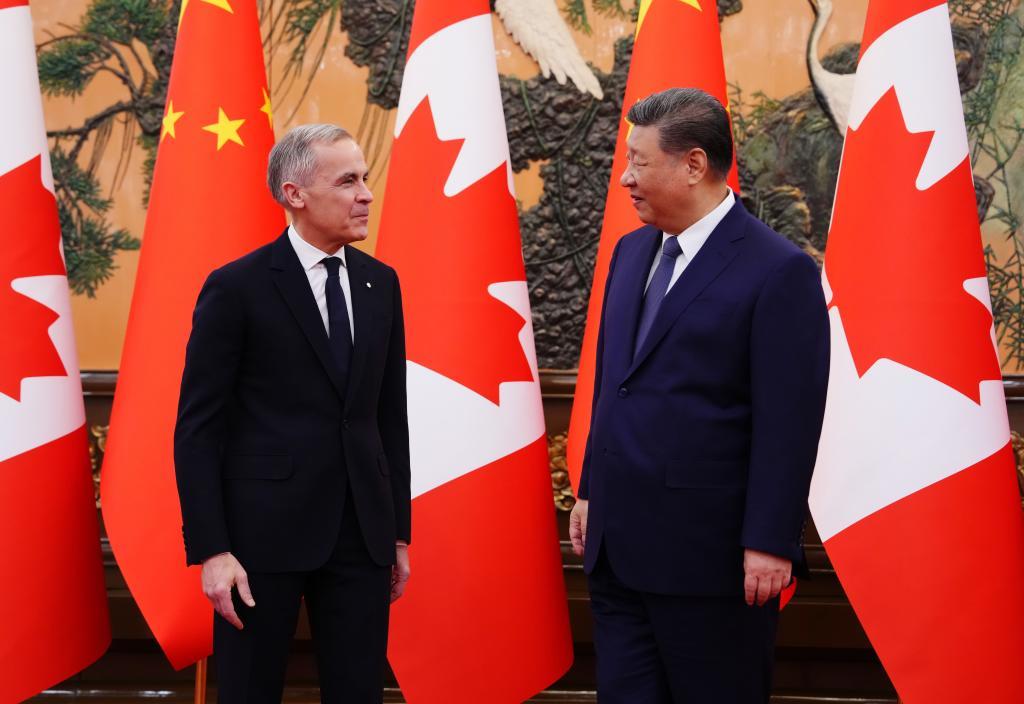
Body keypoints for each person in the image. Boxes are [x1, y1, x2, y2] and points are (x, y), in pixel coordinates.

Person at [569, 88, 829, 703]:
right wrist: (589, 490)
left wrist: (770, 541)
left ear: (693, 164)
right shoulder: (630, 252)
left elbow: (788, 422)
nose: (626, 178)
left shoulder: (778, 270)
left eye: (639, 161)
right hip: (617, 549)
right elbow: (615, 382)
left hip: (711, 563)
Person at [174, 124, 411, 703]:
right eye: (348, 180)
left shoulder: (382, 284)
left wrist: (397, 533)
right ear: (294, 193)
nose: (366, 195)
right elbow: (198, 429)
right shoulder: (236, 287)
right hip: (258, 543)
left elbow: (389, 418)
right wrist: (212, 550)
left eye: (366, 178)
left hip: (362, 538)